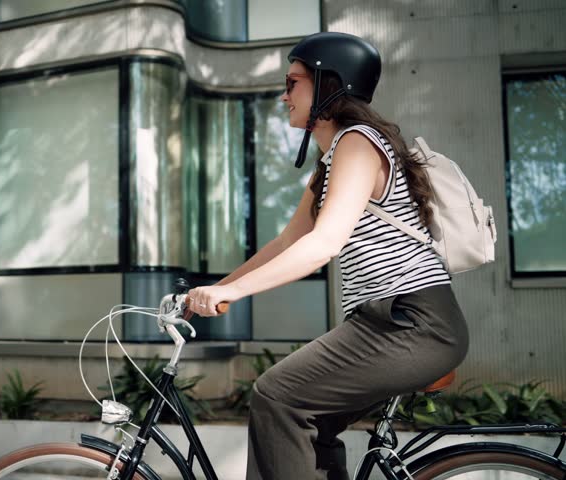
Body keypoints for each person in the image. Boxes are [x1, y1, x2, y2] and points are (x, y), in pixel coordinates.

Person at [186, 32, 469, 479]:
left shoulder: (358, 143)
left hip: (411, 323)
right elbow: (285, 245)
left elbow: (322, 245)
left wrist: (236, 292)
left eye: (293, 82)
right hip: (386, 325)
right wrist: (216, 290)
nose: (284, 95)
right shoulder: (331, 162)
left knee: (277, 396)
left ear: (329, 84)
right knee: (308, 425)